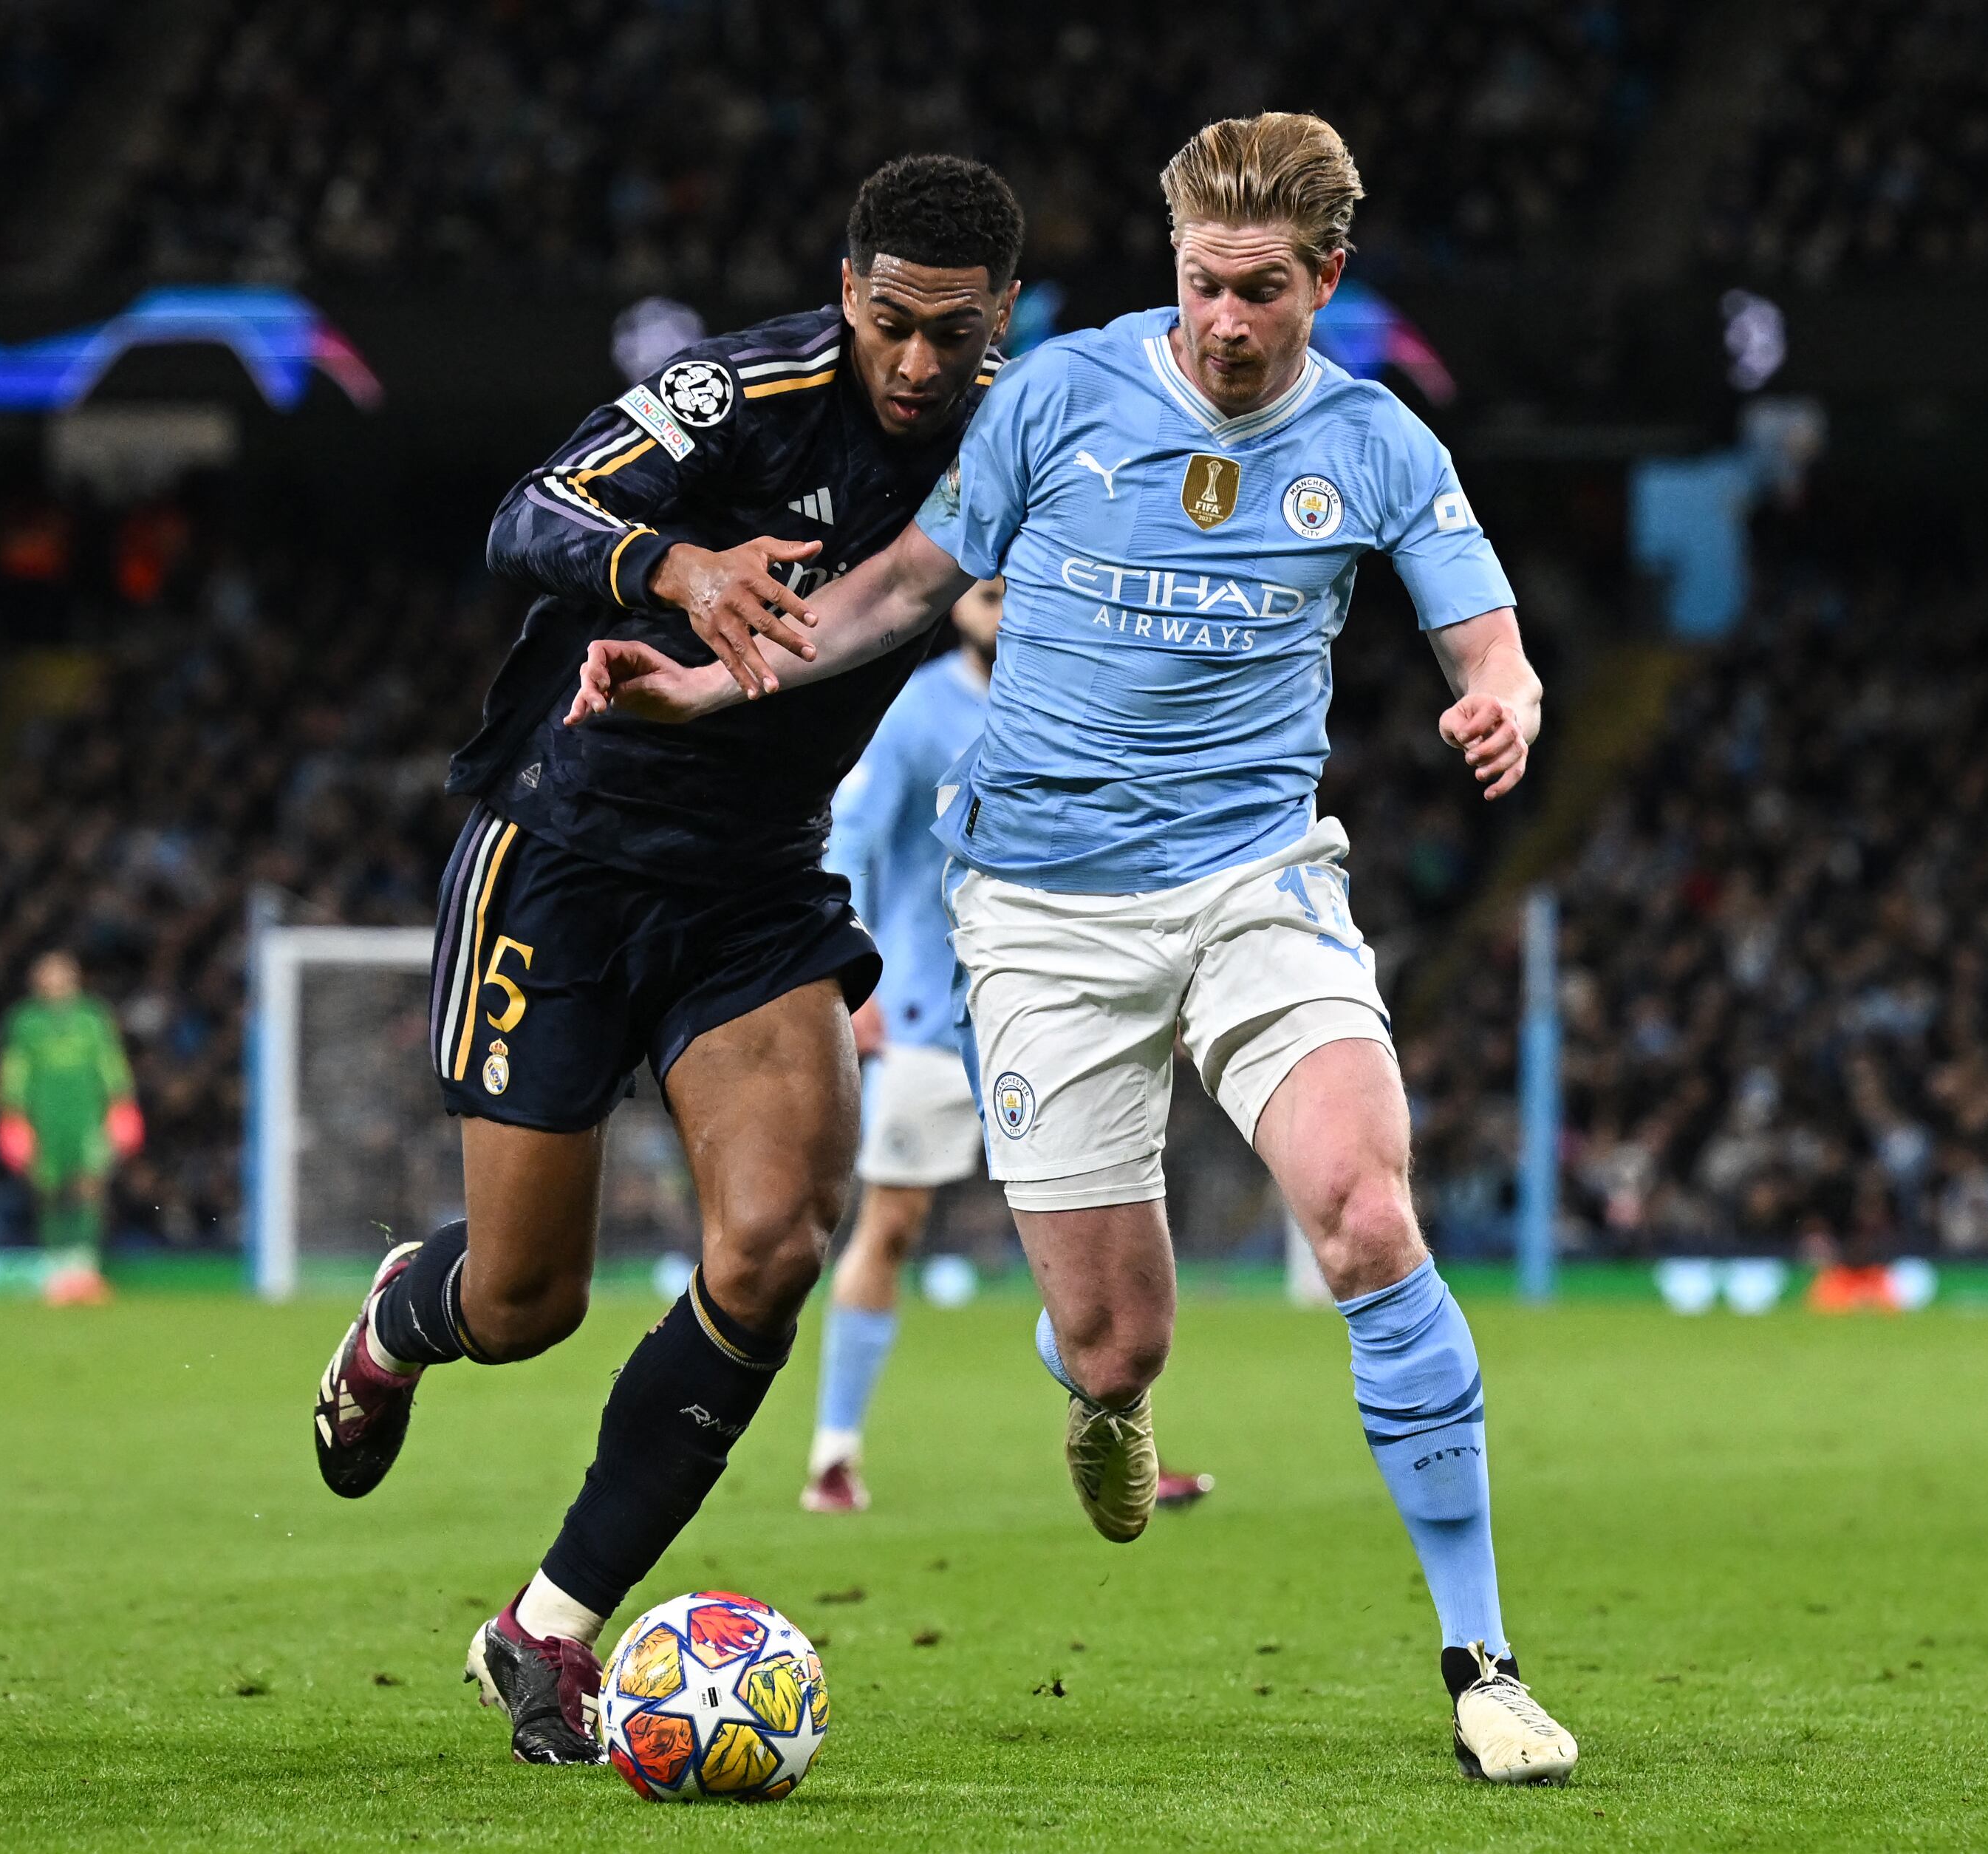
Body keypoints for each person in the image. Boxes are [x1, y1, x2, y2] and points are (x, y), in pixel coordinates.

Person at [569, 114, 1578, 1784]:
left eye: (1261, 289)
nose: (1224, 321)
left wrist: (1504, 698)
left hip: (1256, 881)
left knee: (1363, 1208)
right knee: (1116, 1340)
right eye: (1201, 283)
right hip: (1039, 913)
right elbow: (899, 589)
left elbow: (1488, 638)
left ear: (1324, 278)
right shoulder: (1055, 394)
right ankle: (1100, 1398)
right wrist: (700, 680)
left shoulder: (1378, 444)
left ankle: (1482, 1661)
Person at [309, 154, 1025, 1765]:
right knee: (525, 1301)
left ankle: (546, 1628)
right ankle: (400, 1319)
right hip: (562, 847)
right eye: (892, 322)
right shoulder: (742, 391)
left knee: (773, 1243)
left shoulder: (1012, 435)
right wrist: (682, 569)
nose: (919, 362)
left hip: (755, 880)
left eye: (956, 333)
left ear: (1003, 318)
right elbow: (527, 513)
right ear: (845, 292)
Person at [800, 574, 1213, 1519]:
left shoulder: (1079, 701)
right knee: (889, 1226)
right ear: (954, 599)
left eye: (1013, 582)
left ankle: (1128, 1439)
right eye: (981, 583)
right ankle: (833, 1454)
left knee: (1093, 1237)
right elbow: (850, 841)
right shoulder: (914, 711)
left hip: (1052, 1011)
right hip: (927, 1008)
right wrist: (848, 970)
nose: (997, 596)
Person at [0, 950, 141, 1306]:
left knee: (89, 1188)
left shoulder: (93, 1017)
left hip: (87, 1116)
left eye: (61, 974)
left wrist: (122, 1103)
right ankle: (57, 1273)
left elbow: (110, 1061)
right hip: (44, 1118)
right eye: (48, 975)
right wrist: (12, 1113)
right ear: (37, 981)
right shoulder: (25, 1021)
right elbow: (15, 1068)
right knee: (49, 1191)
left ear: (74, 979)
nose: (55, 981)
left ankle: (85, 1271)